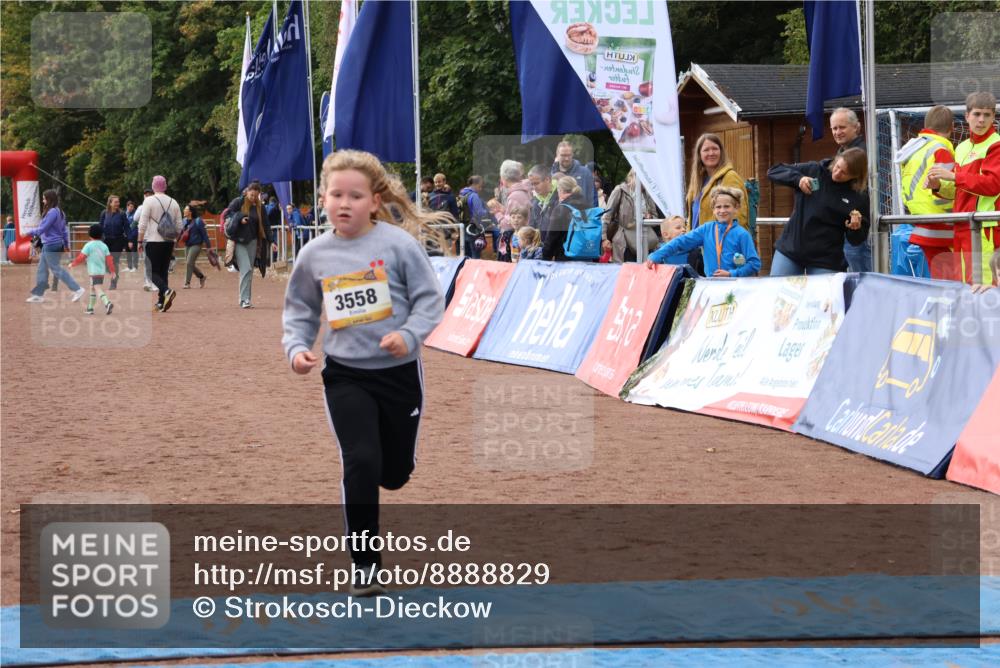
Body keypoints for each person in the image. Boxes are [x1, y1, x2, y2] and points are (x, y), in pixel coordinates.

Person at [282, 149, 447, 596]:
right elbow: (300, 309)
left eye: (354, 195)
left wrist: (409, 335)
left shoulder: (398, 245)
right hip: (345, 375)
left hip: (398, 375)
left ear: (374, 201)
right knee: (360, 460)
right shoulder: (315, 254)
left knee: (393, 473)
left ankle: (389, 468)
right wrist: (297, 347)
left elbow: (431, 300)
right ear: (322, 198)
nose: (344, 203)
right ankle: (365, 565)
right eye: (336, 194)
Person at [927, 91, 1000, 285]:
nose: (981, 120)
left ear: (994, 116)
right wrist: (938, 186)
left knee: (986, 288)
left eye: (987, 114)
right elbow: (959, 190)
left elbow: (993, 185)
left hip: (986, 229)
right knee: (965, 286)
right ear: (967, 116)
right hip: (962, 226)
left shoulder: (996, 145)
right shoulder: (961, 147)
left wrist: (954, 176)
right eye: (977, 114)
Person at [767, 148, 870, 276]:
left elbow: (857, 240)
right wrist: (798, 179)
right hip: (791, 249)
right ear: (836, 160)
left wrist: (855, 228)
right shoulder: (814, 170)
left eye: (844, 173)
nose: (837, 173)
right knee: (778, 292)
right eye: (837, 167)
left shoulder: (859, 197)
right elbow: (774, 171)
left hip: (826, 260)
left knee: (822, 297)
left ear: (855, 176)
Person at [898, 105, 957, 280]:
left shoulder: (913, 148)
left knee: (940, 281)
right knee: (952, 283)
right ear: (952, 127)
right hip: (942, 226)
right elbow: (948, 186)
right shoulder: (940, 149)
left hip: (920, 221)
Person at [646, 187, 760, 277]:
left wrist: (732, 274)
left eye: (727, 206)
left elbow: (754, 264)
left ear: (736, 208)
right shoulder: (706, 229)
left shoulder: (742, 234)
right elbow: (680, 242)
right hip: (710, 285)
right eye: (718, 207)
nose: (722, 210)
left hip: (734, 286)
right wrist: (656, 255)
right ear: (713, 209)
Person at [24, 189, 86, 304]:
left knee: (56, 269)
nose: (43, 201)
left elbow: (43, 229)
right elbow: (64, 231)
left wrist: (28, 232)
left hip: (51, 245)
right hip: (54, 244)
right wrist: (66, 245)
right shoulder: (60, 212)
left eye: (43, 198)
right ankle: (38, 295)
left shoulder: (52, 212)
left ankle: (77, 289)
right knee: (42, 268)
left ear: (49, 199)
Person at [829, 108, 871, 272]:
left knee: (861, 278)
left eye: (842, 127)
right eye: (834, 128)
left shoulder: (861, 153)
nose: (838, 132)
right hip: (847, 226)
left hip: (858, 227)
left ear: (856, 127)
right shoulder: (842, 151)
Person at [224, 180, 276, 309]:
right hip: (239, 241)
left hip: (254, 242)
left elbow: (266, 225)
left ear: (259, 194)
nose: (253, 198)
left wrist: (272, 241)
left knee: (249, 271)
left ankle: (246, 299)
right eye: (251, 195)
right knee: (246, 268)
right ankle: (244, 299)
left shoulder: (260, 207)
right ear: (247, 192)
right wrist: (240, 218)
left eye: (255, 195)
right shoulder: (238, 202)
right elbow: (227, 214)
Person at [138, 175, 183, 312]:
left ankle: (166, 291)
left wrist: (139, 240)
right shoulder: (174, 202)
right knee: (163, 272)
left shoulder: (149, 201)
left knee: (151, 272)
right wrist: (175, 240)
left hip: (153, 240)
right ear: (165, 186)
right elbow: (179, 226)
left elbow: (143, 223)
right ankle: (161, 301)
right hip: (169, 241)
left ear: (153, 186)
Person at [603, 169, 660, 263]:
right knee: (625, 274)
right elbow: (607, 215)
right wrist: (604, 238)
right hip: (624, 242)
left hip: (645, 242)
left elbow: (655, 218)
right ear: (633, 176)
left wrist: (649, 217)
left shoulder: (647, 193)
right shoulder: (620, 190)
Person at [67, 224, 116, 315]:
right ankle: (90, 308)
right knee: (92, 288)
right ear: (101, 235)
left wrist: (72, 264)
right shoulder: (104, 246)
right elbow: (109, 260)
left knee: (97, 288)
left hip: (93, 272)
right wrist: (112, 271)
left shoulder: (88, 245)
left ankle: (107, 303)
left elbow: (81, 257)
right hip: (101, 272)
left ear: (89, 234)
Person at [543, 176, 590, 262]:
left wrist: (545, 257)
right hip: (587, 255)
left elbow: (552, 237)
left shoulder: (561, 209)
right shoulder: (588, 206)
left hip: (565, 257)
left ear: (560, 190)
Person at [496, 160, 532, 262]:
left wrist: (496, 213)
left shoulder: (516, 195)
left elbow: (510, 224)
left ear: (503, 178)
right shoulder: (519, 192)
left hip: (517, 242)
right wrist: (503, 210)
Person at [551, 140, 596, 206]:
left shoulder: (585, 173)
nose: (566, 158)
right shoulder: (551, 176)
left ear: (572, 154)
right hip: (558, 215)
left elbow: (593, 199)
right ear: (557, 155)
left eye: (569, 155)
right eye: (563, 155)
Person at [99, 194, 129, 289]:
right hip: (106, 240)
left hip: (118, 240)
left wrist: (130, 240)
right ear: (110, 203)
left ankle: (113, 282)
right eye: (115, 202)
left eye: (118, 202)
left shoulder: (122, 214)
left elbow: (127, 228)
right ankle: (114, 274)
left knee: (114, 261)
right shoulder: (104, 213)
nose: (118, 204)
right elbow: (100, 227)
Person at [458, 175, 490, 259]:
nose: (481, 189)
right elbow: (480, 213)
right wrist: (489, 211)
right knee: (475, 255)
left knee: (465, 256)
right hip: (473, 229)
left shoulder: (461, 195)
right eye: (480, 186)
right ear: (475, 184)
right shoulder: (474, 196)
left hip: (462, 229)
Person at [181, 204, 210, 289]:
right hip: (187, 245)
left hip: (196, 245)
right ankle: (201, 277)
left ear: (190, 212)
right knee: (190, 264)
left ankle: (187, 283)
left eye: (185, 209)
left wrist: (209, 247)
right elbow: (181, 233)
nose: (184, 210)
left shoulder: (198, 221)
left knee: (189, 262)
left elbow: (204, 235)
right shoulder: (184, 221)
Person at [134, 188, 157, 290]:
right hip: (145, 238)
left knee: (154, 260)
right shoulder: (141, 207)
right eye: (146, 195)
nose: (147, 196)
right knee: (147, 260)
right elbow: (135, 218)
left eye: (149, 194)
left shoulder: (157, 206)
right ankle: (148, 282)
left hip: (156, 237)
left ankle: (153, 281)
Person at [124, 200, 139, 272]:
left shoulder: (136, 214)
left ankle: (135, 267)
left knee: (134, 250)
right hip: (126, 235)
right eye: (130, 206)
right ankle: (129, 266)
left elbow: (134, 224)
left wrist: (129, 227)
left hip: (134, 235)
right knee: (128, 250)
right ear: (127, 206)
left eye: (132, 207)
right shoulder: (125, 214)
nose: (131, 208)